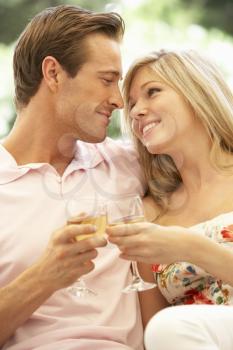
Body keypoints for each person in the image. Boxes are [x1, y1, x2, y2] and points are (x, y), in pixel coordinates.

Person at [0, 5, 145, 350]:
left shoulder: (128, 164)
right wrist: (44, 277)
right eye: (107, 80)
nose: (119, 100)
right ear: (53, 73)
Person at [107, 49, 233, 350]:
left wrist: (190, 247)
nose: (137, 111)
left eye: (153, 92)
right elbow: (155, 333)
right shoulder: (150, 215)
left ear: (196, 92)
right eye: (133, 104)